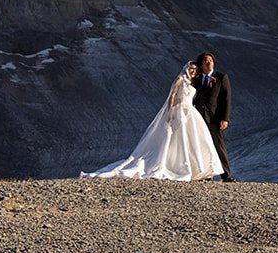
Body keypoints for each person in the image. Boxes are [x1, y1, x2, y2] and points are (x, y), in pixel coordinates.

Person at [82, 62, 223, 181]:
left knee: (193, 139)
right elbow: (172, 96)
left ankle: (195, 168)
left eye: (195, 70)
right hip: (179, 111)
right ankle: (177, 166)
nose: (193, 71)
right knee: (179, 139)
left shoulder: (193, 83)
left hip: (190, 113)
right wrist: (171, 112)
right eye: (191, 69)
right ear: (186, 68)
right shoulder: (180, 79)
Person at [193, 52, 233, 182]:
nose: (209, 63)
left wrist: (225, 118)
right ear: (201, 64)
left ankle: (226, 175)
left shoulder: (221, 77)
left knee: (219, 146)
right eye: (205, 61)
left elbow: (226, 99)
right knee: (202, 146)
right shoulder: (196, 79)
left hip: (215, 119)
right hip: (198, 119)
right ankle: (206, 175)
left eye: (211, 60)